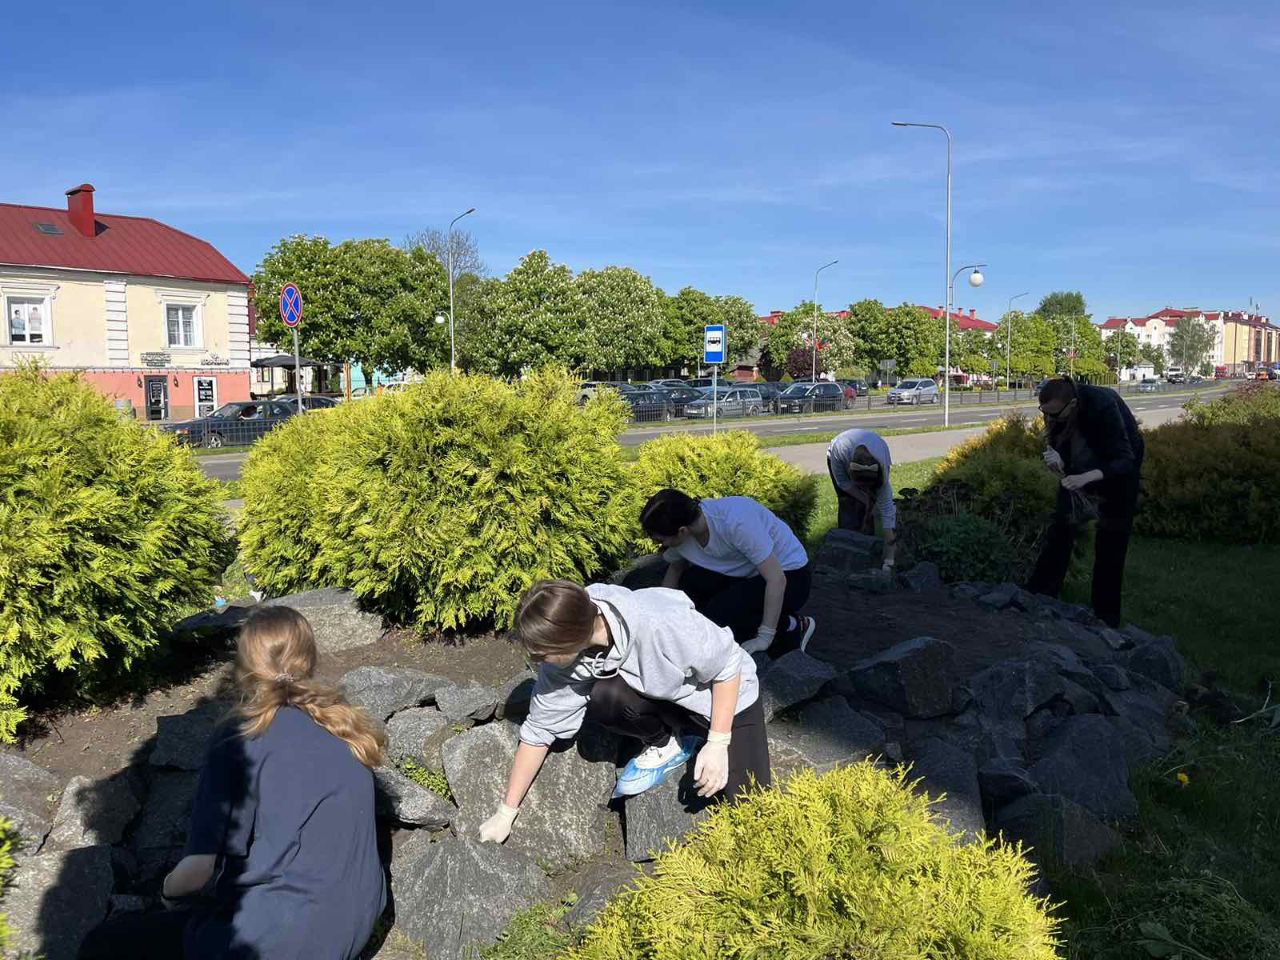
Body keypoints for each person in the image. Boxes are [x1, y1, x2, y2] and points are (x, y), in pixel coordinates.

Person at [79, 607, 387, 960]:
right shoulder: (346, 731)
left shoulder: (239, 739)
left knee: (104, 942)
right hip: (351, 926)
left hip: (278, 939)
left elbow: (197, 872)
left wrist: (166, 894)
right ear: (309, 659)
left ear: (244, 665)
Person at [478, 579, 769, 844]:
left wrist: (718, 742)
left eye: (542, 654)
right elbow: (540, 729)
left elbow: (728, 666)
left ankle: (703, 737)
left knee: (749, 808)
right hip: (667, 699)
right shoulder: (564, 656)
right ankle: (671, 740)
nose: (538, 661)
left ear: (571, 638)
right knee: (606, 696)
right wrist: (506, 812)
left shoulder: (658, 623)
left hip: (723, 695)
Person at [1026, 377, 1144, 627]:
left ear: (1072, 405)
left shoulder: (1103, 406)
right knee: (1061, 526)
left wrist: (1085, 477)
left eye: (1054, 415)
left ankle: (1106, 617)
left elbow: (1124, 460)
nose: (1049, 419)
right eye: (1044, 414)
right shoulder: (1056, 409)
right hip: (1081, 468)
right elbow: (1059, 441)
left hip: (1120, 469)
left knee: (1111, 540)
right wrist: (1058, 461)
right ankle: (1040, 595)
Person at [639, 489, 815, 656]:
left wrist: (765, 637)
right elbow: (676, 568)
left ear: (682, 531)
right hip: (746, 572)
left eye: (660, 540)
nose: (661, 545)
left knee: (719, 618)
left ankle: (793, 626)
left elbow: (777, 580)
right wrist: (660, 612)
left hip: (790, 576)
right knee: (690, 587)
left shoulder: (735, 522)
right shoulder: (685, 528)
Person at [826, 428, 897, 574]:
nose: (865, 490)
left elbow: (888, 515)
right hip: (837, 451)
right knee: (848, 503)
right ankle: (844, 552)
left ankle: (867, 550)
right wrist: (866, 500)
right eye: (861, 487)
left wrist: (889, 560)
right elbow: (844, 484)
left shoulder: (881, 472)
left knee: (871, 508)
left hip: (877, 452)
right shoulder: (839, 451)